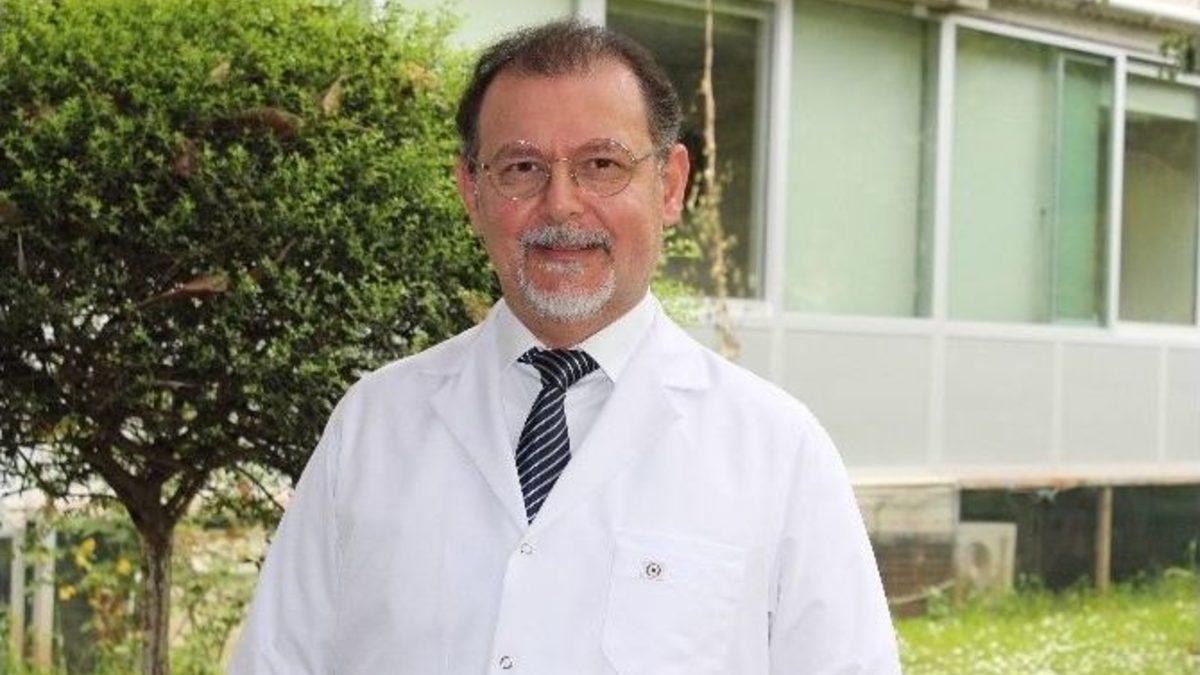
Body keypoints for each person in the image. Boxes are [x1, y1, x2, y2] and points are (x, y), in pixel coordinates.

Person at [230, 19, 899, 674]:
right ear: (472, 192)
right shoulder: (373, 426)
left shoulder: (777, 451)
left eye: (601, 165)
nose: (561, 205)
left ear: (669, 186)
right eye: (522, 167)